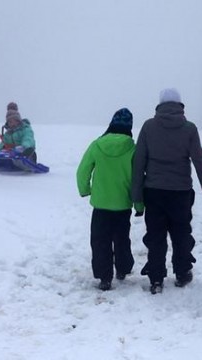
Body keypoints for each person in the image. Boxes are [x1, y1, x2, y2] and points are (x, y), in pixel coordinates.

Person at [132, 88, 202, 294]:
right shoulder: (189, 129)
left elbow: (139, 162)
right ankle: (183, 272)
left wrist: (137, 196)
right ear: (179, 104)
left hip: (154, 191)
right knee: (181, 233)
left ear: (160, 104)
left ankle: (156, 278)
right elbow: (200, 162)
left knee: (156, 235)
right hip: (181, 192)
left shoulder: (149, 127)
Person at [77, 108, 139, 290]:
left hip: (101, 204)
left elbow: (83, 170)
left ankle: (104, 277)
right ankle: (123, 268)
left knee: (100, 240)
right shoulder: (133, 150)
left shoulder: (97, 145)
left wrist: (85, 189)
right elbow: (138, 180)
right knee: (122, 238)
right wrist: (139, 203)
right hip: (123, 204)